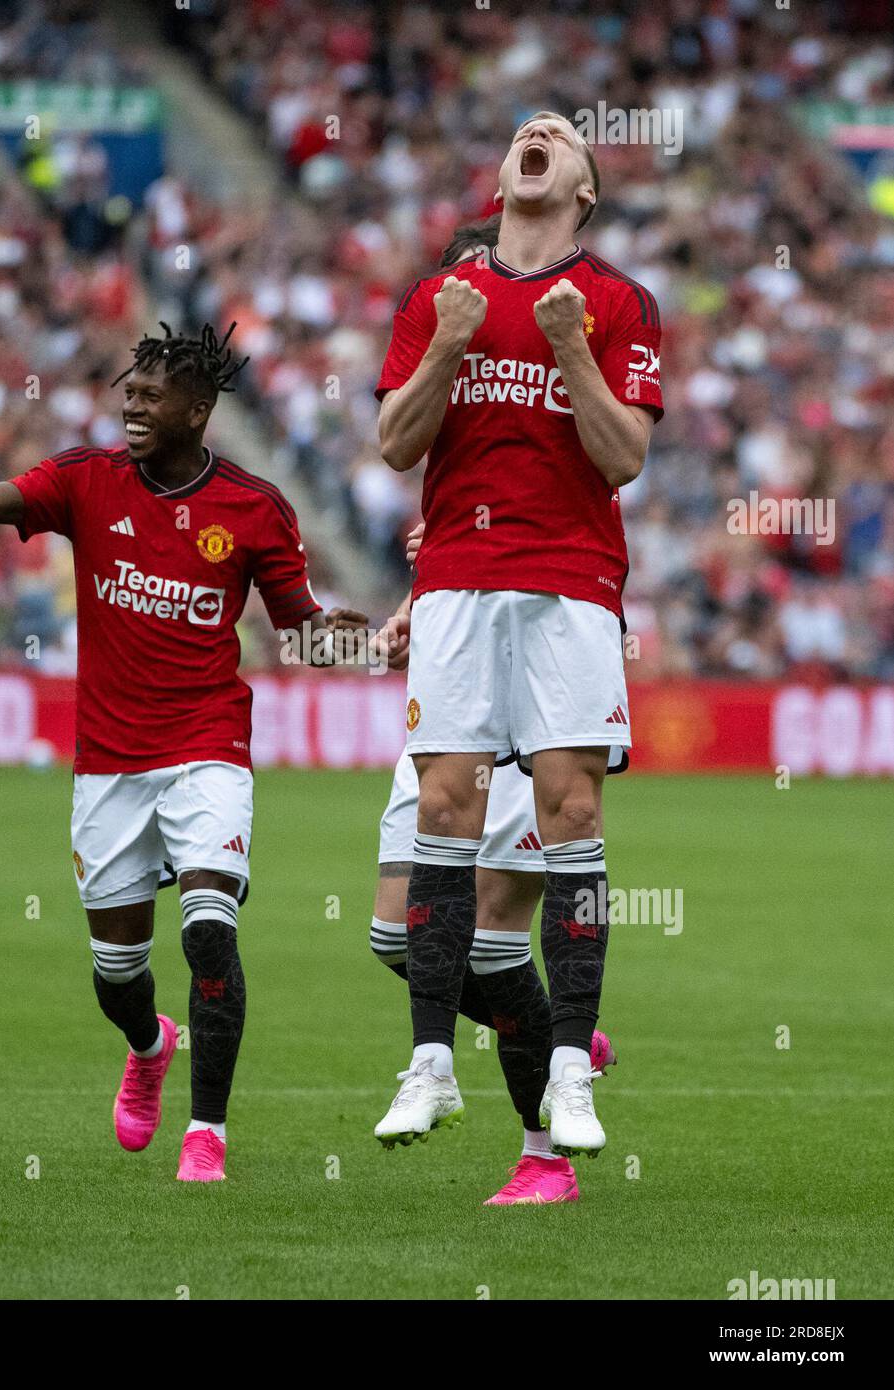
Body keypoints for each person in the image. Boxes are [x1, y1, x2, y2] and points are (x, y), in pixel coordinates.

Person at [0, 322, 368, 1184]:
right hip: (109, 765)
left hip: (209, 746)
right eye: (126, 393)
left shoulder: (253, 509)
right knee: (118, 972)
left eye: (148, 394)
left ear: (198, 410)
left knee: (210, 934)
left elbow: (301, 638)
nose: (129, 405)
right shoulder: (85, 481)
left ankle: (205, 1134)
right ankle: (147, 1044)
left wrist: (356, 645)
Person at [373, 112, 663, 1157]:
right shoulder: (436, 299)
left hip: (570, 582)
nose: (536, 132)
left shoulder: (618, 303)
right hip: (454, 579)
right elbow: (395, 440)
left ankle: (571, 1073)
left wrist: (568, 347)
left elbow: (621, 455)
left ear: (582, 187)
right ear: (502, 174)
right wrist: (451, 341)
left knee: (568, 805)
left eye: (562, 135)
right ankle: (429, 1067)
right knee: (442, 808)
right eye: (522, 132)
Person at [371, 526, 616, 1206]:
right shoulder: (447, 433)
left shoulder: (561, 439)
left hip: (529, 717)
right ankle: (557, 1032)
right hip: (451, 700)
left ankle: (543, 1162)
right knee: (392, 937)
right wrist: (411, 605)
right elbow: (450, 544)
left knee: (493, 942)